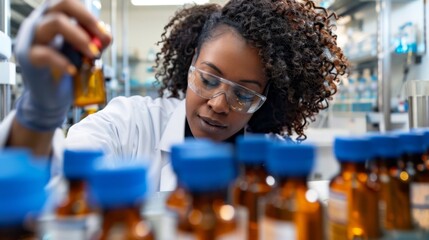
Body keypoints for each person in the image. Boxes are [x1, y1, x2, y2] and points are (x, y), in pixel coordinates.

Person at [0, 0, 348, 191]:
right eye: (209, 79)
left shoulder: (275, 159)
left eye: (244, 95)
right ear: (190, 65)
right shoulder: (130, 123)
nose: (218, 104)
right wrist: (39, 114)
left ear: (267, 99)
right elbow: (53, 184)